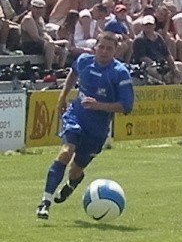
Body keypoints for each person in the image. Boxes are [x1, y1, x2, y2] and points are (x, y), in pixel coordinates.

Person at [35, 32, 134, 220]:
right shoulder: (84, 60)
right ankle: (44, 203)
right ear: (95, 46)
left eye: (109, 48)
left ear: (116, 51)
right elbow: (74, 72)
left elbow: (126, 106)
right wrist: (63, 95)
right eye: (101, 47)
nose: (104, 51)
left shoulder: (120, 73)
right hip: (76, 116)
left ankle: (74, 182)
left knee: (75, 170)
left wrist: (99, 106)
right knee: (66, 151)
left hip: (97, 130)